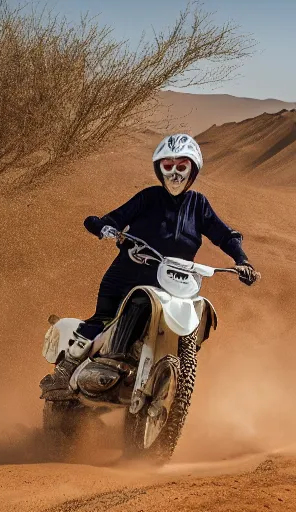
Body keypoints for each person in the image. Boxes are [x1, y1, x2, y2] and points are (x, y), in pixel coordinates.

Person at [40, 133, 259, 399]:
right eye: (168, 167)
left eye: (182, 167)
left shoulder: (198, 205)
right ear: (159, 169)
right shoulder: (148, 197)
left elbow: (225, 235)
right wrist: (104, 227)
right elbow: (112, 218)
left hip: (173, 282)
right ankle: (62, 376)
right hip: (127, 275)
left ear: (193, 170)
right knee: (102, 318)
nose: (175, 174)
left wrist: (242, 261)